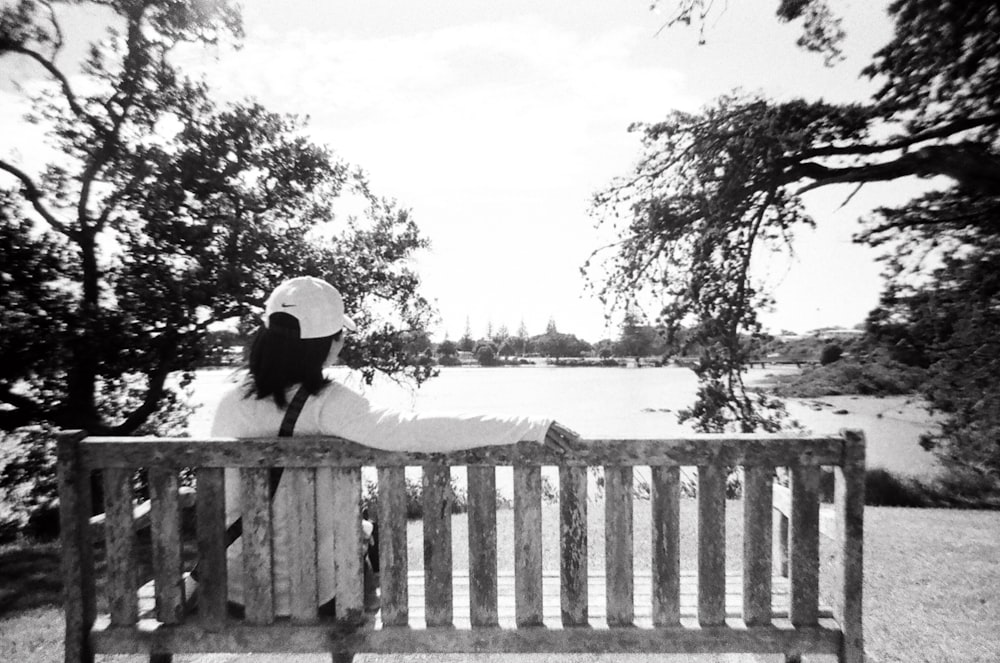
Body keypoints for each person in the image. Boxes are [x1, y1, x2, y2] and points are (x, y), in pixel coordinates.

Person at [211, 276, 577, 617]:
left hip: (232, 592)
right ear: (326, 344)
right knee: (364, 530)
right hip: (315, 597)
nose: (342, 343)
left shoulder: (229, 403)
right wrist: (530, 426)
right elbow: (416, 430)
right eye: (340, 335)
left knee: (356, 528)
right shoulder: (328, 404)